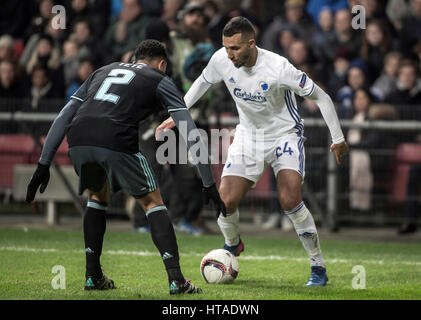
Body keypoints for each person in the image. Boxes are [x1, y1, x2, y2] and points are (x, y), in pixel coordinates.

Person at [156, 17, 349, 287]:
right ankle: (233, 244)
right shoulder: (221, 59)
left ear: (251, 43)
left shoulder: (279, 67)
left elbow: (322, 97)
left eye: (235, 48)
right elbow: (201, 83)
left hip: (285, 135)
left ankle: (318, 267)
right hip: (248, 136)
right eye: (226, 47)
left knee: (290, 199)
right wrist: (178, 114)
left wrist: (338, 138)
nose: (229, 54)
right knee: (225, 201)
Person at [25, 40, 226, 294]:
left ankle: (92, 276)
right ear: (162, 64)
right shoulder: (159, 78)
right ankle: (176, 280)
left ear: (133, 59)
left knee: (97, 196)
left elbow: (66, 113)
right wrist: (208, 182)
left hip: (77, 137)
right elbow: (189, 130)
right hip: (115, 137)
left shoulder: (102, 70)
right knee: (153, 202)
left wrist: (43, 163)